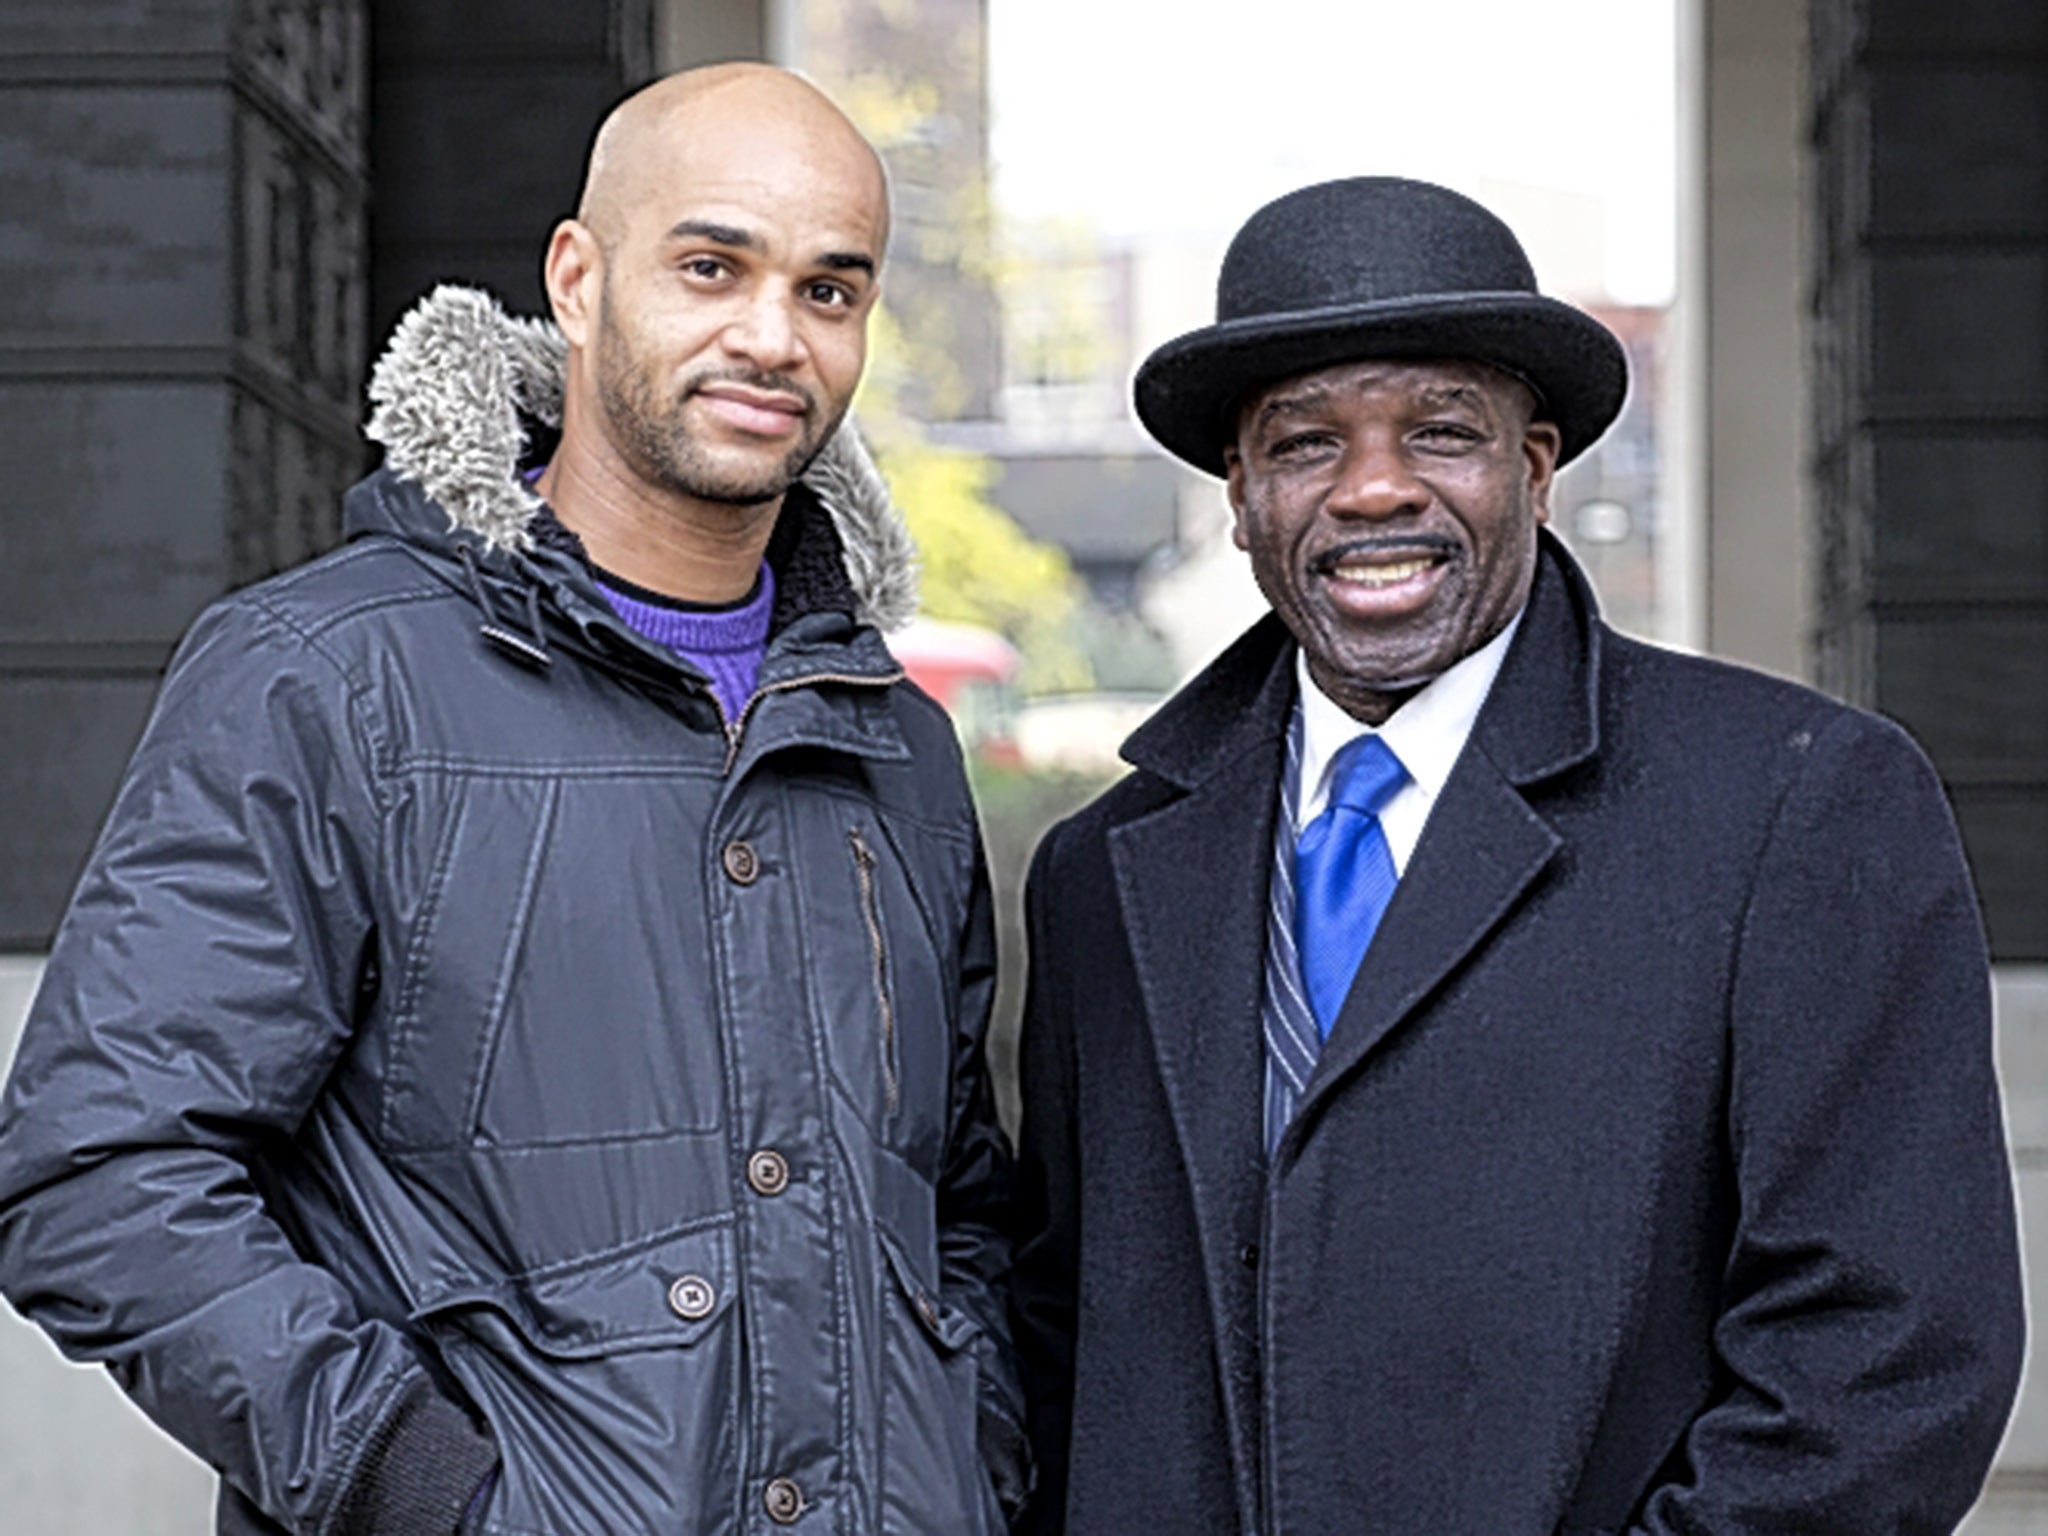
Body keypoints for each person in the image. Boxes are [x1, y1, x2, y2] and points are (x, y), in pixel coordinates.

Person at [0, 64, 1027, 1536]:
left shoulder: (895, 744)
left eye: (829, 291)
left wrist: (971, 1463)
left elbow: (956, 1206)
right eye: (711, 265)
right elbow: (98, 1170)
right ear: (580, 279)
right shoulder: (327, 679)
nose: (769, 336)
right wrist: (428, 1490)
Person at [1010, 176, 2023, 1535]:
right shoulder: (1105, 869)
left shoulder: (1800, 804)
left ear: (1535, 469)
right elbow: (1066, 1337)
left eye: (1441, 431)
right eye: (1307, 443)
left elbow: (1883, 1362)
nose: (1375, 487)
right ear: (1241, 497)